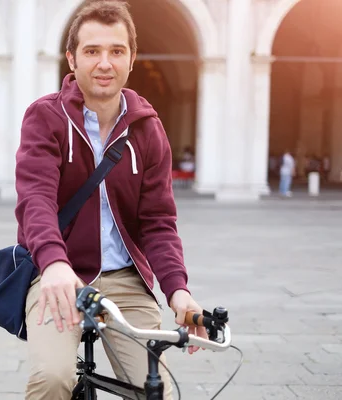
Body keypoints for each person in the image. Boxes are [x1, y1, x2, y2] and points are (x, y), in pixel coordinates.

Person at [14, 1, 207, 399]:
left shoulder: (148, 129)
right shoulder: (45, 118)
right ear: (72, 58)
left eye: (117, 51)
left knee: (156, 391)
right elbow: (36, 200)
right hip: (58, 274)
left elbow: (158, 221)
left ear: (131, 59)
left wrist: (178, 290)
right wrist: (52, 263)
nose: (105, 63)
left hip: (125, 279)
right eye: (92, 51)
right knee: (53, 379)